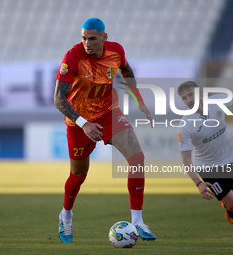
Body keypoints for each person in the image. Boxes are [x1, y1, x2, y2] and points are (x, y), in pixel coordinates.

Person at [54, 18, 156, 243]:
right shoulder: (73, 57)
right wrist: (84, 124)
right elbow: (58, 99)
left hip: (109, 112)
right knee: (78, 175)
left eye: (92, 38)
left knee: (137, 158)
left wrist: (138, 99)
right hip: (79, 122)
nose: (87, 43)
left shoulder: (116, 51)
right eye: (83, 38)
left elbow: (127, 72)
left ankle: (137, 221)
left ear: (104, 38)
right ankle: (66, 215)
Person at [177, 81, 233, 239]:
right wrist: (199, 183)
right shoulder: (185, 126)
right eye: (184, 98)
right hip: (208, 168)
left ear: (200, 92)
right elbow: (186, 160)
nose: (188, 100)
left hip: (231, 160)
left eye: (190, 94)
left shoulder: (217, 101)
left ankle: (228, 207)